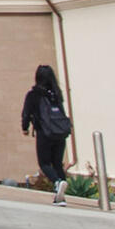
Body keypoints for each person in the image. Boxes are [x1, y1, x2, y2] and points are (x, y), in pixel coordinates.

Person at [21, 65, 70, 204]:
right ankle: (60, 196)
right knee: (57, 164)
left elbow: (26, 113)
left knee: (44, 163)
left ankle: (57, 182)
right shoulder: (56, 94)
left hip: (45, 133)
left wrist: (25, 128)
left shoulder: (34, 94)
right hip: (60, 133)